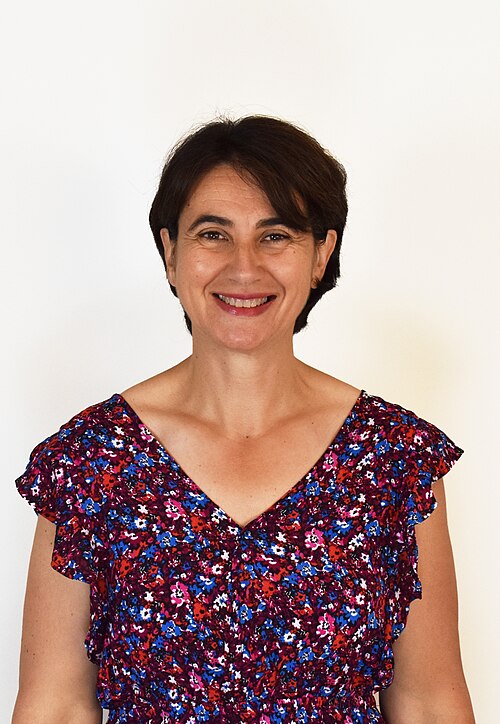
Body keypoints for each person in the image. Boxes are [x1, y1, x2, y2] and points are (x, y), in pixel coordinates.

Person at [13, 115, 475, 723]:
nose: (244, 267)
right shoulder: (89, 462)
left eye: (275, 235)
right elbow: (57, 704)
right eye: (213, 234)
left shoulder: (394, 458)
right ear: (170, 252)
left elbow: (428, 700)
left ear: (321, 254)